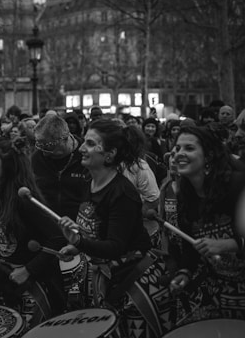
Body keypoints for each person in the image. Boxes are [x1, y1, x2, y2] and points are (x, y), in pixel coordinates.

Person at [58, 119, 174, 338]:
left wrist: (79, 242)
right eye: (84, 142)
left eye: (91, 144)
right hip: (112, 279)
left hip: (137, 283)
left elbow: (115, 246)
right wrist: (77, 248)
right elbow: (99, 231)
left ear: (109, 155)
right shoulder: (90, 183)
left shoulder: (122, 193)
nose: (82, 148)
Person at [0, 136, 66, 327]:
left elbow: (57, 238)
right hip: (9, 280)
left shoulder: (23, 200)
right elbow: (5, 238)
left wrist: (27, 270)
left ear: (7, 166)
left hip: (38, 283)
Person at [168, 126, 245, 322]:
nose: (179, 154)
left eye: (189, 148)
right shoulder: (185, 196)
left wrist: (227, 244)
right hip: (216, 288)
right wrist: (185, 272)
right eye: (177, 148)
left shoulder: (237, 185)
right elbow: (191, 247)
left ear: (208, 156)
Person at [31, 114, 89, 221]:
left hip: (78, 226)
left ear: (65, 138)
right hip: (46, 224)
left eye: (49, 146)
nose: (45, 153)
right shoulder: (37, 157)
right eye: (40, 146)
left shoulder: (85, 156)